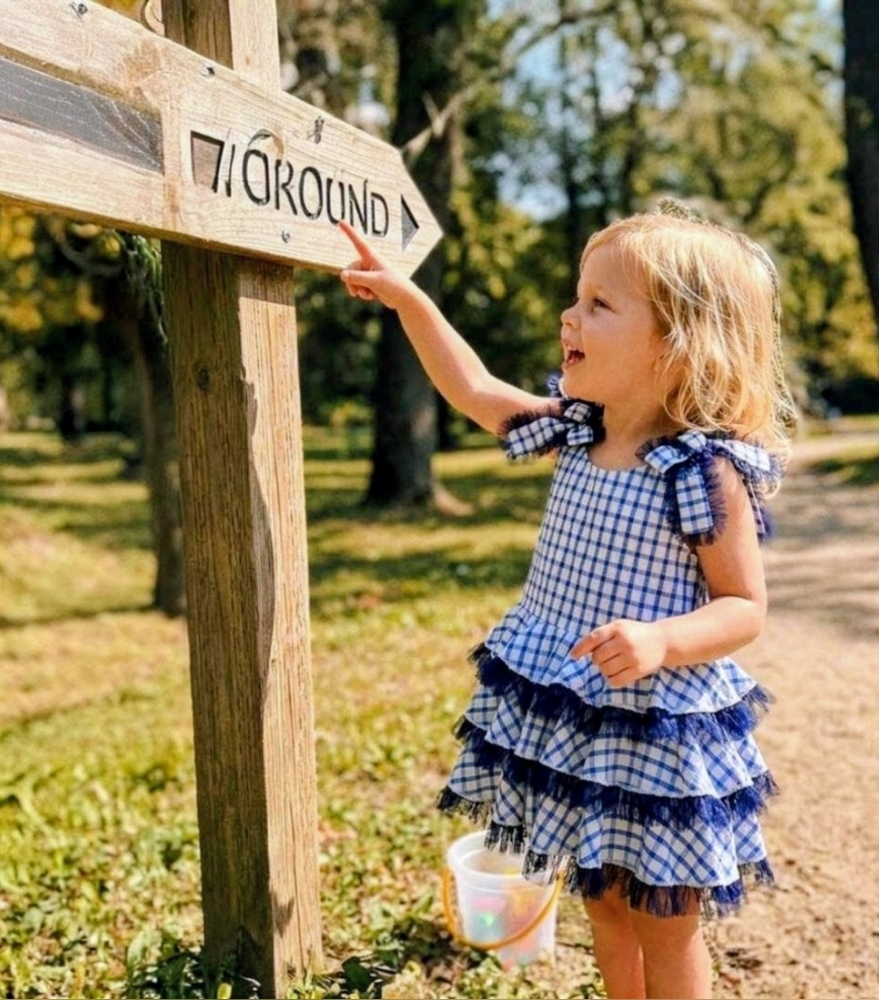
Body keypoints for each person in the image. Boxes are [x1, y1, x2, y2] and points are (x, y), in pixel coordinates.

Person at [338, 199, 796, 1000]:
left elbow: (743, 607)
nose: (567, 317)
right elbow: (475, 389)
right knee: (604, 903)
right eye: (577, 298)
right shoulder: (577, 430)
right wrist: (409, 298)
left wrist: (662, 640)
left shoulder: (697, 470)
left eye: (599, 305)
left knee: (664, 918)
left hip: (655, 730)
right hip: (576, 721)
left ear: (678, 346)